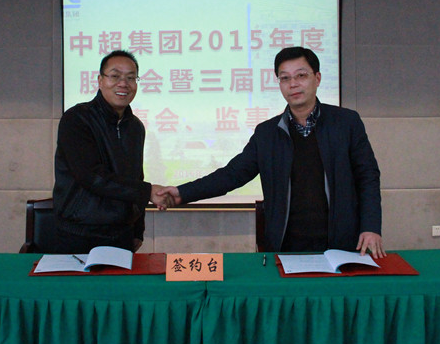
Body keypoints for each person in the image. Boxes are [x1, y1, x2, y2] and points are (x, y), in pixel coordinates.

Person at [158, 46, 385, 257]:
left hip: (341, 245)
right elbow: (232, 175)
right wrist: (182, 193)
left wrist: (371, 227)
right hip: (286, 247)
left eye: (301, 75)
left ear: (317, 78)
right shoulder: (267, 133)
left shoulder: (346, 123)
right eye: (285, 78)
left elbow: (368, 177)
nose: (293, 84)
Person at [51, 50, 170, 254]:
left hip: (122, 234)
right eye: (115, 76)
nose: (123, 84)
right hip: (78, 234)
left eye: (131, 78)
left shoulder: (135, 127)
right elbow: (90, 176)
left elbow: (136, 177)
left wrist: (137, 230)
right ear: (100, 80)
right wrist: (148, 191)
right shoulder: (77, 119)